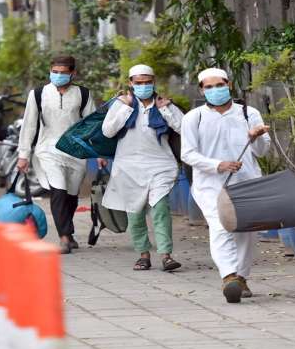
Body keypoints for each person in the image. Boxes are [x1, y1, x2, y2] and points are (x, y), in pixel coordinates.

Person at [181, 67, 271, 304]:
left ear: (229, 85)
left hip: (247, 182)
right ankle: (229, 276)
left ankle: (241, 277)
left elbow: (262, 151)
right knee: (220, 226)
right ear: (202, 90)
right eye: (209, 87)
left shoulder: (248, 113)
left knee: (247, 231)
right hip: (210, 185)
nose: (215, 90)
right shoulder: (194, 118)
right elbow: (188, 154)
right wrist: (218, 165)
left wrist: (256, 137)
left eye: (219, 85)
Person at [16, 55, 102, 254]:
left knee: (71, 195)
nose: (58, 76)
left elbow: (92, 124)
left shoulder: (83, 94)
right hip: (48, 149)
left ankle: (68, 232)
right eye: (55, 72)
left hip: (75, 152)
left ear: (73, 73)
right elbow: (29, 125)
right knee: (58, 191)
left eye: (63, 73)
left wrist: (98, 151)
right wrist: (23, 154)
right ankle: (63, 237)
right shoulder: (38, 94)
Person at [102, 64, 184, 271]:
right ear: (131, 83)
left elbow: (184, 127)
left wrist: (165, 109)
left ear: (154, 82)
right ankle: (143, 254)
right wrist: (126, 106)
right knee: (135, 213)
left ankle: (166, 255)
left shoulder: (164, 104)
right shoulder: (121, 104)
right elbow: (108, 131)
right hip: (128, 168)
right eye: (139, 83)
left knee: (160, 209)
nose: (144, 86)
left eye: (147, 82)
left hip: (160, 165)